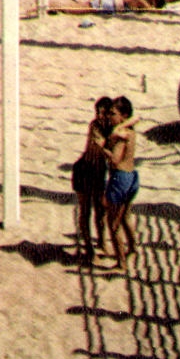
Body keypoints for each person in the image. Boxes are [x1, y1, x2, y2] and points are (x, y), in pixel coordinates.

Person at [71, 98, 114, 266]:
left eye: (103, 113)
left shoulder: (111, 127)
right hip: (84, 170)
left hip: (98, 173)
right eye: (97, 112)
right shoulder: (95, 126)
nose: (99, 116)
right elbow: (103, 146)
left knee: (101, 210)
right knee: (85, 211)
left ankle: (102, 242)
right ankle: (89, 250)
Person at [100, 97, 139, 272]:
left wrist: (103, 149)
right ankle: (132, 248)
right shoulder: (130, 131)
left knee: (113, 224)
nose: (109, 117)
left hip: (120, 178)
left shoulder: (121, 136)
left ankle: (121, 263)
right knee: (125, 218)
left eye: (113, 114)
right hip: (132, 176)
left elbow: (115, 160)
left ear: (123, 115)